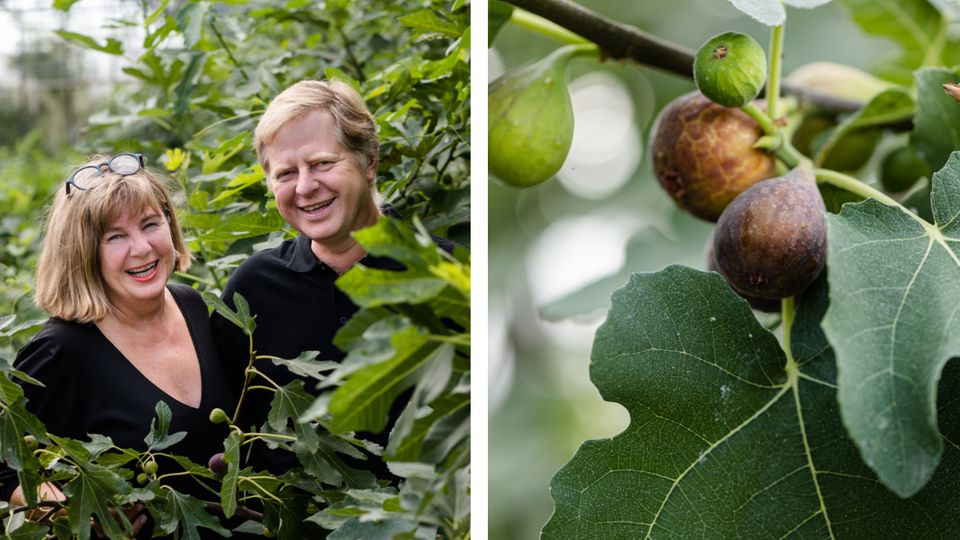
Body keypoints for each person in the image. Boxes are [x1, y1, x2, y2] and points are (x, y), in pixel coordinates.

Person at [211, 80, 452, 476]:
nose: (305, 187)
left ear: (370, 161)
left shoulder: (450, 272)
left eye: (322, 163)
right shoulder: (252, 289)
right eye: (286, 173)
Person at [0, 154, 235, 538]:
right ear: (82, 253)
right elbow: (5, 467)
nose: (141, 248)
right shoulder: (62, 350)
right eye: (115, 237)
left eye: (150, 225)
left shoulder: (191, 304)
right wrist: (71, 509)